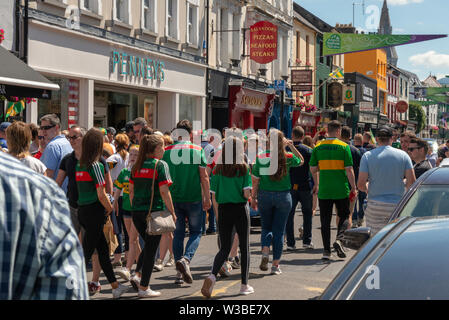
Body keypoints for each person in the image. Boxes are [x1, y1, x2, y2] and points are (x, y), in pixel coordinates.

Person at [0, 150, 88, 299]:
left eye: (75, 137)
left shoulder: (39, 191)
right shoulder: (40, 192)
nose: (71, 140)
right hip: (72, 206)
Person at [75, 128, 129, 299]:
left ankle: (115, 286)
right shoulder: (96, 165)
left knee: (102, 251)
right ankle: (70, 288)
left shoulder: (80, 164)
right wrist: (111, 207)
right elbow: (101, 192)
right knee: (87, 252)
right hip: (95, 211)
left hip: (83, 210)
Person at [201, 136, 254, 298]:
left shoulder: (219, 168)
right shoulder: (243, 168)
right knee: (244, 247)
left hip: (223, 209)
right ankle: (244, 285)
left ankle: (212, 275)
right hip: (240, 208)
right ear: (240, 150)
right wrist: (249, 193)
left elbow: (214, 195)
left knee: (224, 248)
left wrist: (217, 214)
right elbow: (246, 193)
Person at [162, 119, 211, 285]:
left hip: (174, 198)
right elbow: (204, 176)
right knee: (197, 232)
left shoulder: (166, 151)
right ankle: (186, 260)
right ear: (190, 134)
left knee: (178, 234)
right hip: (194, 197)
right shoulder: (197, 150)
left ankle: (178, 272)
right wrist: (207, 197)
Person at [129, 134, 176, 298]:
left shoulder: (136, 166)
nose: (164, 149)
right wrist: (172, 211)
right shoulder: (160, 165)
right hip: (154, 213)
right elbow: (164, 191)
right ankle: (144, 287)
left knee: (148, 245)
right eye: (162, 146)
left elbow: (131, 192)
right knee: (151, 250)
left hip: (137, 212)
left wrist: (137, 207)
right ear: (155, 149)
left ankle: (137, 275)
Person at [251, 129, 303, 275]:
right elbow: (302, 161)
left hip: (264, 195)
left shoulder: (261, 157)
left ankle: (265, 252)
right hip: (283, 196)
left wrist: (253, 198)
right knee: (279, 231)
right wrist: (291, 146)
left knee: (266, 227)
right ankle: (275, 266)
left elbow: (255, 180)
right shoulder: (287, 156)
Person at [309, 120, 357, 261]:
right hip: (341, 188)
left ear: (327, 131)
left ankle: (326, 251)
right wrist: (353, 187)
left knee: (325, 220)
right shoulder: (344, 147)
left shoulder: (318, 147)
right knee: (344, 215)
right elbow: (349, 169)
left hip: (324, 189)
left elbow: (312, 169)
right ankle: (339, 239)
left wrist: (318, 180)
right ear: (338, 131)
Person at [358, 126, 416, 235]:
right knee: (394, 239)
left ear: (377, 139)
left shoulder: (367, 156)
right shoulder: (404, 156)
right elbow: (411, 183)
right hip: (397, 205)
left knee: (375, 241)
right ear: (392, 139)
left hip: (375, 205)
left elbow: (360, 185)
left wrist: (368, 187)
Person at [113, 145, 142, 283]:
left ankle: (129, 268)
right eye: (131, 154)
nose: (133, 157)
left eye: (136, 154)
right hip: (126, 209)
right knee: (132, 238)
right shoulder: (124, 171)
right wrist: (114, 204)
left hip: (138, 209)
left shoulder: (141, 171)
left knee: (132, 239)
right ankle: (141, 266)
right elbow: (117, 189)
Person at [285, 126, 314, 251]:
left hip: (290, 185)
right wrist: (316, 184)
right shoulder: (308, 150)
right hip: (305, 186)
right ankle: (306, 241)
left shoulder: (286, 149)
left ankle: (291, 243)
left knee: (289, 215)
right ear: (303, 136)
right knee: (307, 214)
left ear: (292, 135)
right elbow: (313, 169)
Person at [107, 133, 130, 268]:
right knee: (127, 229)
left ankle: (117, 258)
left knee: (117, 228)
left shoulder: (114, 158)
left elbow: (105, 171)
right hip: (127, 194)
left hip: (116, 195)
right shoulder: (129, 157)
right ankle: (128, 256)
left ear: (115, 144)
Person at [39, 114, 73, 191]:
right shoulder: (68, 143)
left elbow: (47, 176)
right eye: (41, 128)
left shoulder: (52, 146)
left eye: (46, 128)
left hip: (56, 196)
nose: (43, 131)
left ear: (57, 127)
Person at [340, 126, 362, 229]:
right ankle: (346, 231)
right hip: (352, 184)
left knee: (340, 213)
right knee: (349, 212)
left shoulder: (339, 149)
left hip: (339, 184)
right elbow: (359, 168)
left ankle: (341, 232)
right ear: (350, 136)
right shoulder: (356, 151)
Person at [352, 133, 367, 227]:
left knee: (353, 200)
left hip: (353, 177)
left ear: (354, 141)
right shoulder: (365, 152)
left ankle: (353, 219)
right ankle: (361, 217)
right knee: (362, 199)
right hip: (362, 178)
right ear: (362, 141)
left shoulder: (351, 150)